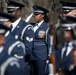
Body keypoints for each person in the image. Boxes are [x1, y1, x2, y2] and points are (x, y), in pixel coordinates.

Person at [6, 1, 34, 75]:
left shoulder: (26, 28)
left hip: (20, 68)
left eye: (11, 11)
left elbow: (27, 51)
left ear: (18, 12)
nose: (8, 14)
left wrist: (7, 51)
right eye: (8, 11)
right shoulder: (5, 27)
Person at [31, 5, 50, 75]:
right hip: (31, 56)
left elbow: (49, 44)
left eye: (37, 14)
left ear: (42, 15)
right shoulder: (32, 26)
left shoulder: (46, 28)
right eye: (34, 14)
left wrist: (48, 58)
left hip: (41, 57)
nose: (35, 16)